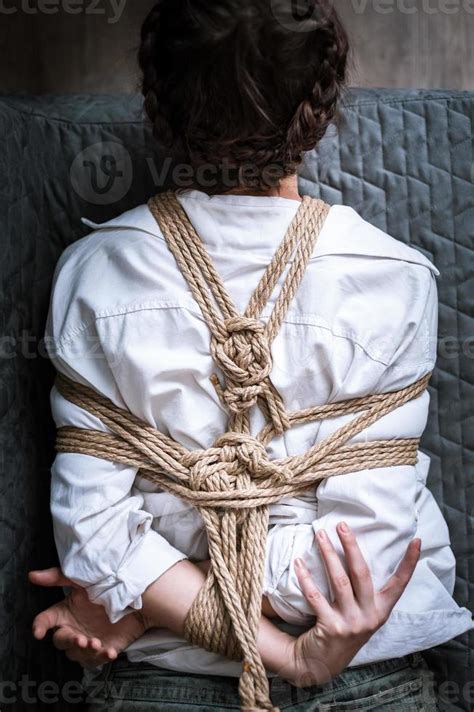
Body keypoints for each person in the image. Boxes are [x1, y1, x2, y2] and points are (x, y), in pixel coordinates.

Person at [29, 1, 472, 710]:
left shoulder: (96, 273)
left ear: (156, 103)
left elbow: (100, 544)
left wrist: (150, 590)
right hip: (369, 680)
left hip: (165, 676)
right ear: (320, 108)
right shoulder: (391, 277)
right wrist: (292, 655)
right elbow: (351, 583)